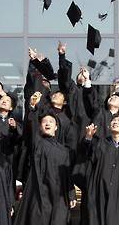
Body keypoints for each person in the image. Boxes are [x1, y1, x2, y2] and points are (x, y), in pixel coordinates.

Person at [14, 92, 76, 225]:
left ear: (56, 127)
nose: (47, 124)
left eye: (51, 122)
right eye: (44, 122)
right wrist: (33, 106)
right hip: (39, 193)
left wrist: (71, 195)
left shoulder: (64, 151)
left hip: (58, 195)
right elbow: (32, 123)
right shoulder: (38, 142)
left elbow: (67, 175)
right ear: (40, 127)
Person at [83, 115, 119, 225]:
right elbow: (87, 155)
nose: (116, 122)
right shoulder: (99, 145)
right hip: (98, 192)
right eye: (113, 120)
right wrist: (89, 137)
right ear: (109, 126)